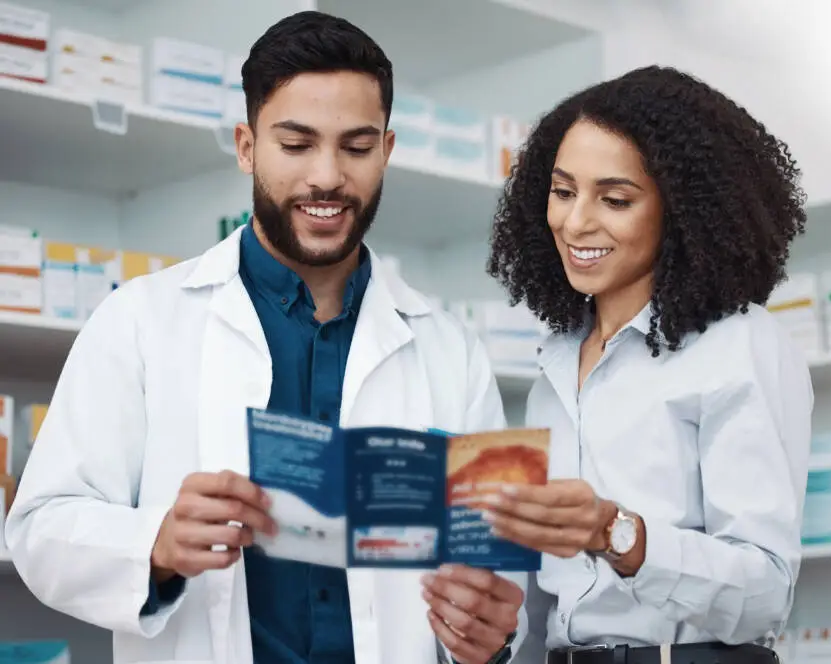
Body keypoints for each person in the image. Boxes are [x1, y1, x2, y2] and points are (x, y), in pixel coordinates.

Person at [5, 11, 526, 664]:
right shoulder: (139, 321)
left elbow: (498, 581)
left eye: (357, 147)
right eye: (297, 143)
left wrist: (494, 633)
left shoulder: (452, 352)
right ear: (247, 146)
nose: (328, 176)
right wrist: (157, 543)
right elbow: (40, 528)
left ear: (388, 151)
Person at [482, 65, 814, 664]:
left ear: (683, 210)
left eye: (615, 199)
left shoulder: (738, 346)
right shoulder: (555, 365)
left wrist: (616, 534)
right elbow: (542, 606)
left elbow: (765, 591)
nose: (577, 221)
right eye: (562, 191)